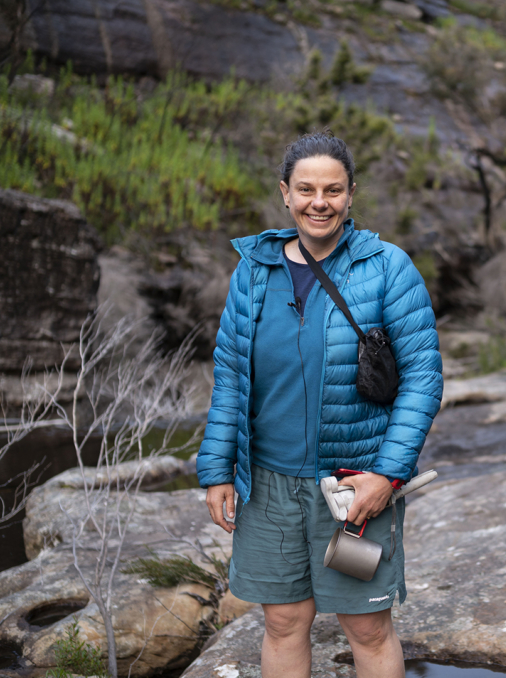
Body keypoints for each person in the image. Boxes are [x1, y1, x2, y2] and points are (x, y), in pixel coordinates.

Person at [196, 132, 443, 678]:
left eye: (332, 190)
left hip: (352, 490)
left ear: (351, 194)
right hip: (267, 486)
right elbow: (232, 376)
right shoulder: (253, 272)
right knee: (283, 621)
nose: (319, 202)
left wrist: (387, 474)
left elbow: (423, 379)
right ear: (285, 193)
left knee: (367, 626)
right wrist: (217, 469)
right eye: (306, 189)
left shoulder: (388, 267)